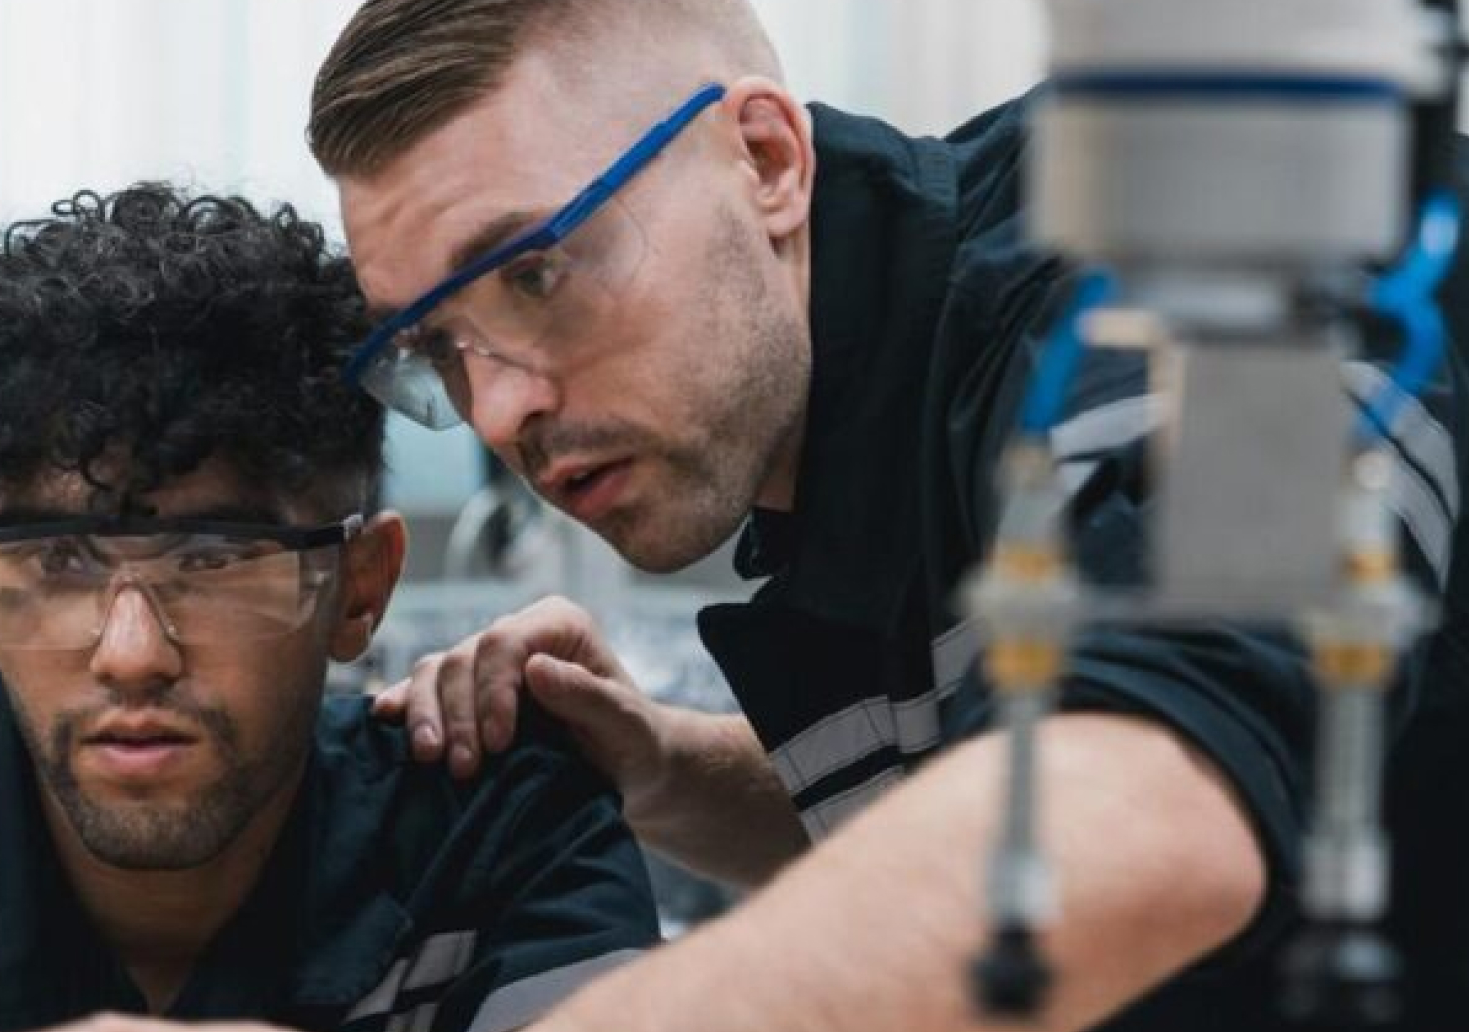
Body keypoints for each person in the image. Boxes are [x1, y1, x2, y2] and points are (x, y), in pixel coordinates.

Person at [303, 1, 1469, 1029]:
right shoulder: (828, 458)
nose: (500, 411)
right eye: (435, 351)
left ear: (764, 160)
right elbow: (970, 812)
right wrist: (659, 771)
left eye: (538, 274)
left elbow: (1159, 804)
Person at [0, 184, 658, 1032]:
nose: (131, 655)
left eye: (212, 561)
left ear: (360, 587)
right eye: (59, 561)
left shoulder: (494, 826)